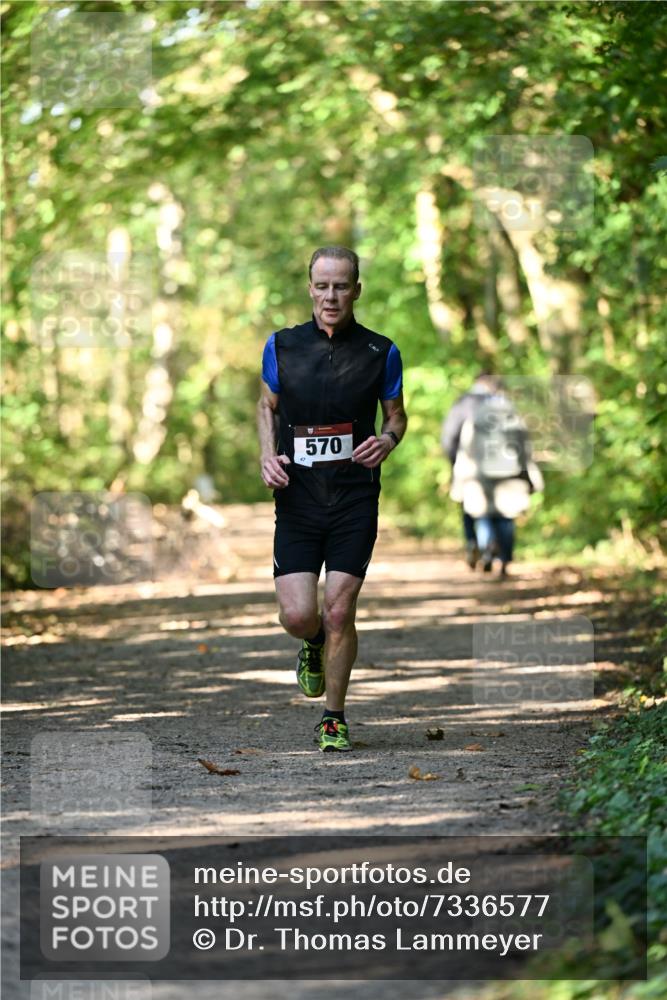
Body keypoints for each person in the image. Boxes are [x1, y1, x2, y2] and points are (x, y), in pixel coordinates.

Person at [257, 246, 408, 752]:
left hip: (353, 497)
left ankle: (333, 718)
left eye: (341, 286)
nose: (331, 296)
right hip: (297, 498)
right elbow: (266, 406)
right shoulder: (281, 346)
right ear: (309, 289)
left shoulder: (380, 351)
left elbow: (396, 417)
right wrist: (266, 456)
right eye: (322, 286)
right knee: (299, 616)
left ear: (357, 290)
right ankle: (313, 643)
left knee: (341, 609)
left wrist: (387, 441)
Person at [441, 373, 542, 578]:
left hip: (480, 472)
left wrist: (458, 472)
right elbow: (524, 447)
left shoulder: (472, 412)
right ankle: (504, 560)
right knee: (507, 516)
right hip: (510, 471)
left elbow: (463, 447)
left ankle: (486, 548)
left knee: (484, 513)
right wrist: (526, 470)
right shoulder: (513, 415)